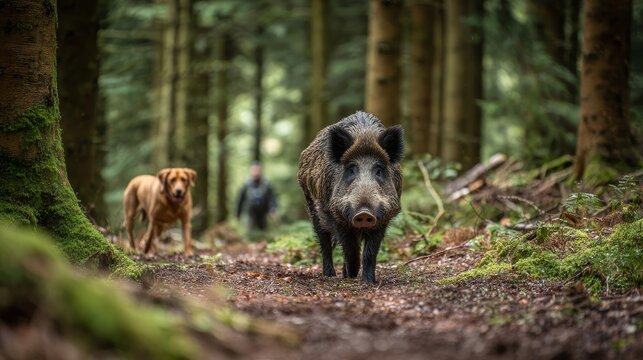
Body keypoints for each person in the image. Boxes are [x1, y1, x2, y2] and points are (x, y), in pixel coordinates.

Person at [236, 162, 277, 231]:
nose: (256, 172)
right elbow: (240, 199)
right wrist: (238, 214)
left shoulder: (266, 183)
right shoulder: (247, 184)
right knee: (250, 230)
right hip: (251, 212)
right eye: (254, 170)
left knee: (264, 230)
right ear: (250, 171)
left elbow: (272, 197)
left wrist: (272, 208)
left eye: (258, 170)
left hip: (263, 212)